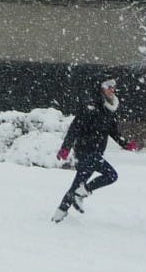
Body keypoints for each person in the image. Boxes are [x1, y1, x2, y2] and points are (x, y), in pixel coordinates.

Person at [51, 78, 138, 222]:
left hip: (96, 153)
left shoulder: (110, 110)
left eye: (114, 86)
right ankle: (80, 194)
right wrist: (65, 148)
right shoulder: (90, 107)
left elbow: (114, 132)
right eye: (109, 86)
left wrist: (125, 144)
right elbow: (74, 128)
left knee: (76, 185)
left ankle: (58, 215)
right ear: (101, 88)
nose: (112, 89)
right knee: (111, 175)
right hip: (85, 152)